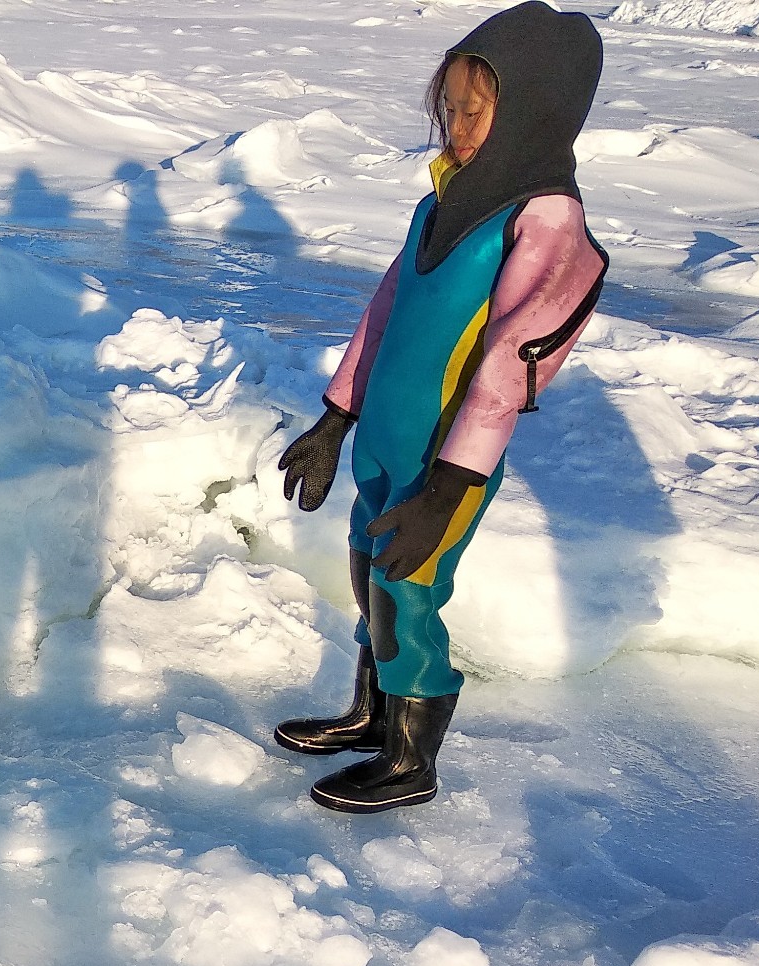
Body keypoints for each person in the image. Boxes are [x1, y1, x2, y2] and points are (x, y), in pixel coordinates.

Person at [273, 2, 608, 812]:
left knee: (408, 591)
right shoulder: (443, 201)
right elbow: (386, 312)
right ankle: (372, 714)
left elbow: (508, 366)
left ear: (534, 108)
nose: (455, 126)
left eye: (474, 110)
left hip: (442, 460)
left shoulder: (545, 221)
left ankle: (410, 758)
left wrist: (451, 487)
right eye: (449, 108)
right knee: (367, 569)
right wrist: (334, 418)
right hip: (387, 438)